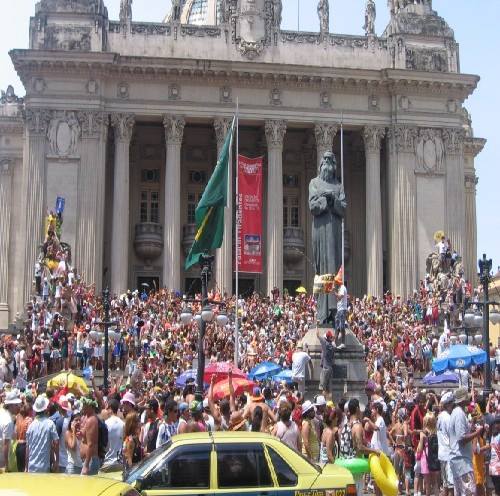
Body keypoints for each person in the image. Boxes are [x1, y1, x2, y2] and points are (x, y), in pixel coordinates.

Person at [340, 398, 379, 496]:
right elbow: (360, 448)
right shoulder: (357, 426)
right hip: (354, 469)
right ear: (357, 408)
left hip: (345, 467)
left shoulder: (345, 425)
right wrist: (375, 451)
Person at [449, 387, 482, 496]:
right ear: (463, 400)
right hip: (462, 461)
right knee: (469, 492)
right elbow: (461, 439)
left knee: (461, 492)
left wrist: (471, 427)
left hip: (459, 461)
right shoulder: (459, 413)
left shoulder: (457, 412)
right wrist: (477, 433)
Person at [26, 394, 59, 473]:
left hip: (31, 466)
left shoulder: (31, 426)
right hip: (44, 467)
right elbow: (56, 443)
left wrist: (26, 467)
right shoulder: (50, 424)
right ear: (45, 409)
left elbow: (28, 448)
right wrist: (56, 461)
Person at [417, 412, 440, 496]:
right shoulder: (436, 432)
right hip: (434, 458)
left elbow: (419, 449)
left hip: (425, 458)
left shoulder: (423, 433)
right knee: (435, 483)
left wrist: (421, 440)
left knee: (427, 484)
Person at [437, 391, 455, 496]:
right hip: (448, 454)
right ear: (448, 404)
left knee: (445, 485)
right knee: (451, 486)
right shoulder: (448, 418)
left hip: (442, 453)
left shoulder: (440, 416)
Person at [0, 390, 22, 470]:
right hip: (1, 460)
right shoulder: (8, 421)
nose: (18, 407)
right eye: (16, 405)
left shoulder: (2, 413)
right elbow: (6, 444)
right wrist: (6, 465)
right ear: (10, 405)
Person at [80, 397, 100, 475]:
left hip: (89, 461)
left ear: (91, 407)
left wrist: (86, 465)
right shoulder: (87, 418)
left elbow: (91, 444)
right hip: (86, 460)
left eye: (85, 405)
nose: (83, 407)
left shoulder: (91, 420)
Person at [103, 399, 124, 468]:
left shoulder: (106, 424)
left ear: (110, 409)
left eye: (107, 409)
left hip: (107, 462)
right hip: (119, 463)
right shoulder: (123, 424)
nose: (106, 411)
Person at [317, 328, 335, 395]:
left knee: (323, 388)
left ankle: (323, 403)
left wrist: (317, 325)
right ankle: (330, 403)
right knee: (329, 389)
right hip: (330, 368)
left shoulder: (325, 343)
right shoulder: (332, 347)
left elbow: (317, 335)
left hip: (325, 368)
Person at [334, 278, 348, 349]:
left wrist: (334, 292)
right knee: (337, 326)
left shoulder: (342, 288)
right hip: (339, 310)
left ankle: (343, 343)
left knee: (342, 326)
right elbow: (338, 299)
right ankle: (335, 342)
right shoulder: (340, 288)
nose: (335, 283)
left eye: (336, 282)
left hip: (342, 309)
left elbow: (340, 297)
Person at [489, 415, 500, 496]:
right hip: (494, 468)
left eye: (498, 423)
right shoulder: (494, 436)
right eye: (495, 423)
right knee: (497, 490)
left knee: (497, 490)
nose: (496, 425)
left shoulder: (496, 436)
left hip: (496, 468)